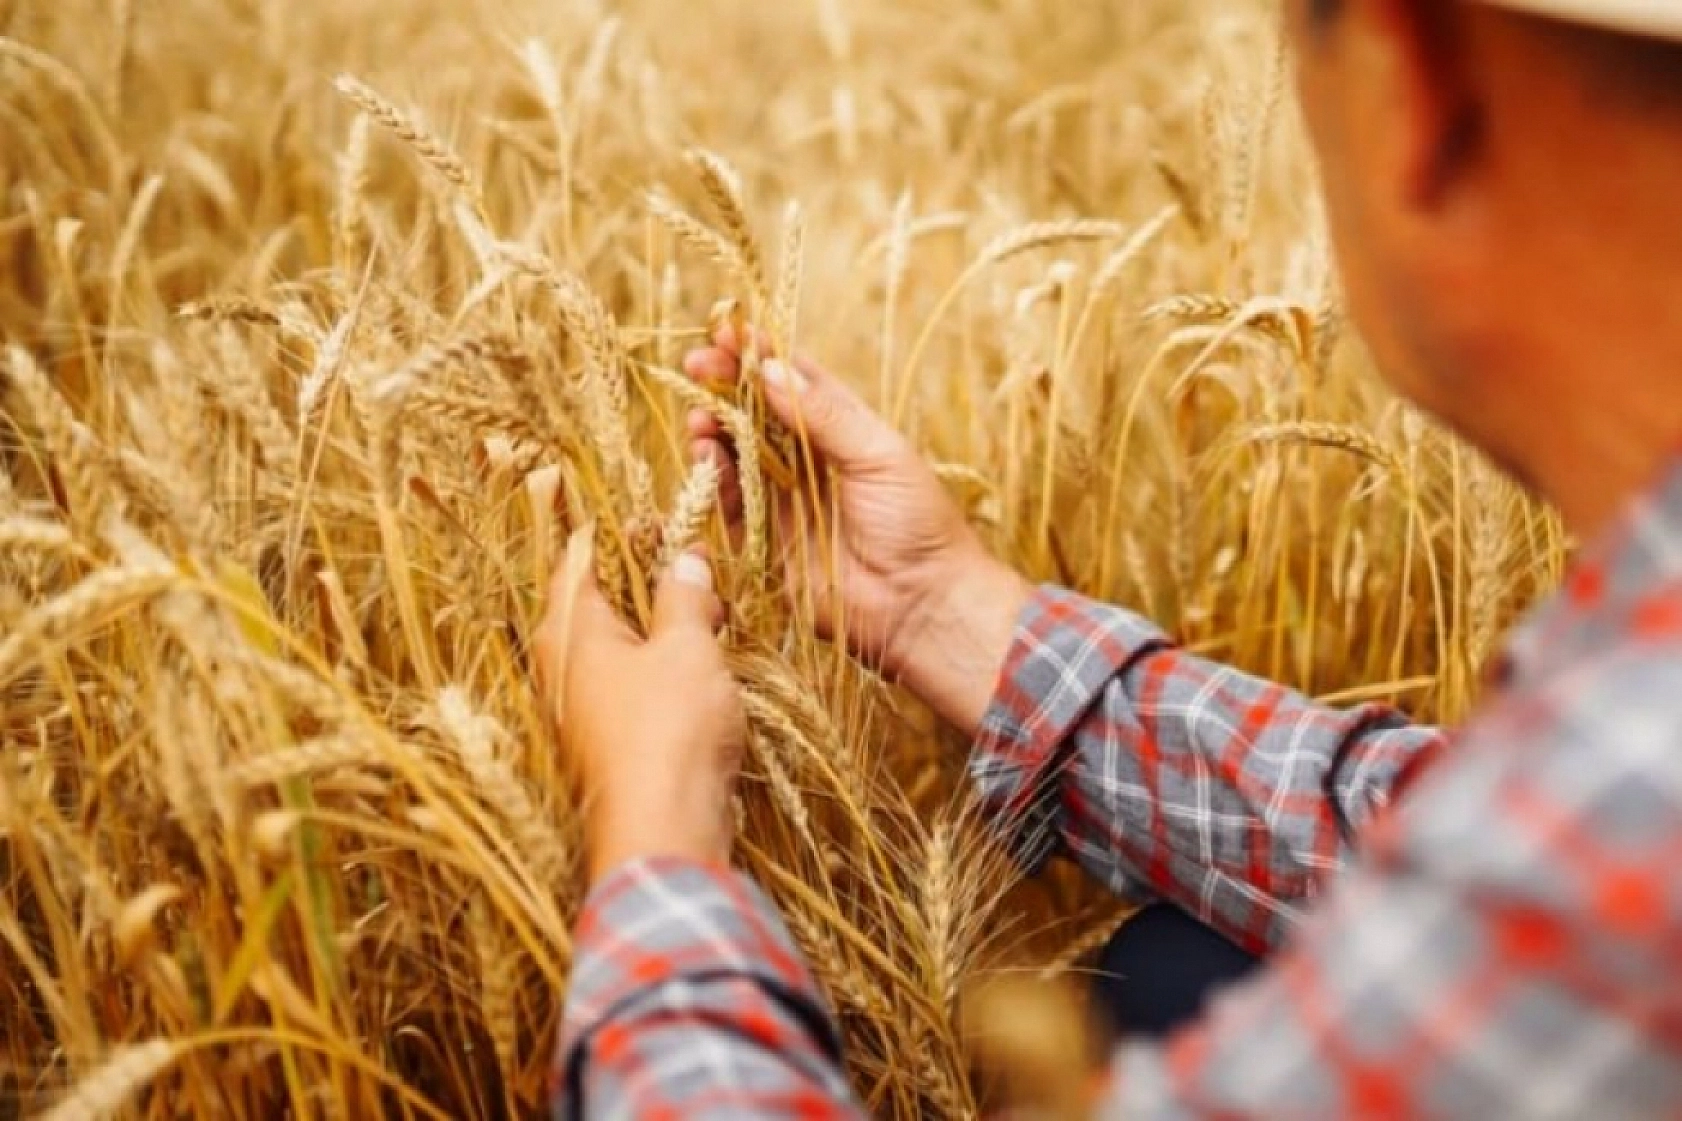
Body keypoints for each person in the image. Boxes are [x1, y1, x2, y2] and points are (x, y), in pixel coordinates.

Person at [534, 0, 1682, 1115]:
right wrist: (937, 606)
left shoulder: (1626, 802)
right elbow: (1424, 822)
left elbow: (1560, 847)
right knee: (1178, 968)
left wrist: (655, 827)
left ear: (1407, 77)